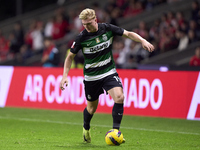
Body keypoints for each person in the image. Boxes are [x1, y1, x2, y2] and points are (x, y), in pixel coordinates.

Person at [59, 8, 154, 143]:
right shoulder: (81, 37)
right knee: (91, 108)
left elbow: (127, 33)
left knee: (120, 97)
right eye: (84, 24)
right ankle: (86, 127)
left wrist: (143, 41)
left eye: (89, 23)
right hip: (91, 77)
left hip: (108, 72)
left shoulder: (107, 28)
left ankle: (116, 132)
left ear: (95, 20)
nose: (86, 27)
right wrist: (64, 76)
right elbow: (70, 57)